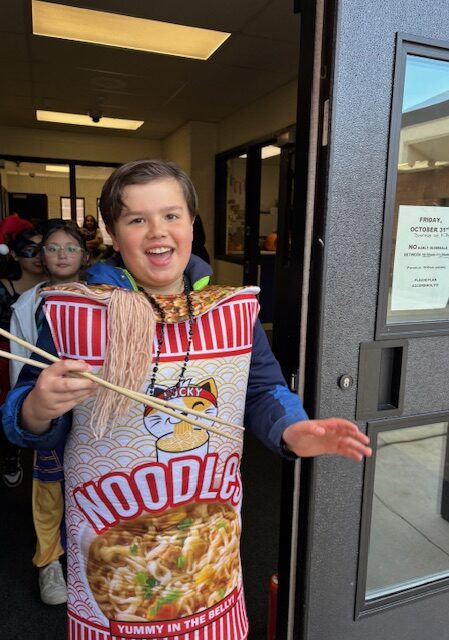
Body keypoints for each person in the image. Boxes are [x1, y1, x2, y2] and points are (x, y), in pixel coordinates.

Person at [2, 159, 371, 639]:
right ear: (112, 233)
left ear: (191, 225)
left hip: (208, 547)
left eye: (171, 215)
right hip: (111, 550)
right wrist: (37, 409)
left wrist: (292, 429)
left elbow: (262, 389)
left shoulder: (231, 311)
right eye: (137, 219)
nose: (158, 231)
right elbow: (22, 412)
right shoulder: (77, 313)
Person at [9, 222, 87, 606]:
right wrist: (27, 412)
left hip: (93, 406)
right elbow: (20, 362)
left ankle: (88, 555)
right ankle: (49, 560)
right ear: (41, 256)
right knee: (48, 484)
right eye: (53, 248)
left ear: (84, 255)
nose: (61, 255)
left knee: (91, 481)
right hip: (50, 407)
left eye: (70, 248)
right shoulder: (29, 304)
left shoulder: (104, 296)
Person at [0, 220, 44, 487]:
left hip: (45, 356)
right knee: (10, 403)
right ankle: (11, 453)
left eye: (42, 248)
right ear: (14, 254)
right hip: (7, 358)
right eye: (29, 249)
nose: (37, 256)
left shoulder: (54, 285)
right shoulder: (3, 287)